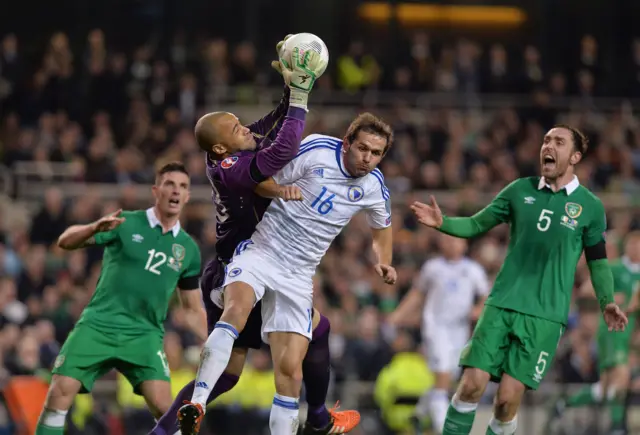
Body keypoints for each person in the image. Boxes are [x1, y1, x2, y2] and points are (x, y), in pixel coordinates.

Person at [150, 36, 357, 435]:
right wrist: (300, 97)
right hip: (242, 265)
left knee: (305, 337)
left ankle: (171, 427)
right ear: (220, 146)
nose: (245, 127)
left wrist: (288, 90)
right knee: (284, 351)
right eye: (234, 127)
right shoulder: (229, 166)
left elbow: (266, 127)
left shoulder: (229, 149)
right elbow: (279, 151)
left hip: (262, 262)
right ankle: (315, 419)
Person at [180, 113, 397, 435]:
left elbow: (382, 231)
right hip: (262, 250)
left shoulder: (373, 187)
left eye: (376, 153)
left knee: (290, 374)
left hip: (298, 274)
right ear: (347, 142)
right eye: (362, 148)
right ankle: (196, 403)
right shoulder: (317, 149)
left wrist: (385, 261)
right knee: (236, 310)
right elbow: (260, 180)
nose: (367, 158)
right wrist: (280, 192)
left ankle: (311, 418)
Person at [410, 125, 629, 435]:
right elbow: (476, 224)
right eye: (546, 140)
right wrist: (443, 222)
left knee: (506, 402)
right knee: (471, 385)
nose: (548, 146)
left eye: (558, 142)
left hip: (546, 316)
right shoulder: (519, 190)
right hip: (502, 303)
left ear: (575, 156)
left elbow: (598, 261)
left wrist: (607, 302)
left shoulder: (590, 207)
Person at [36, 162, 205, 435]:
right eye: (169, 184)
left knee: (169, 411)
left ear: (187, 196)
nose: (176, 191)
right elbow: (65, 241)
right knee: (59, 393)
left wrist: (212, 342)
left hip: (144, 335)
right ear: (156, 190)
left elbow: (193, 308)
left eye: (183, 186)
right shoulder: (125, 223)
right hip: (99, 324)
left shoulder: (188, 249)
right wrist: (94, 228)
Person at [388, 234, 489, 434]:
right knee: (442, 383)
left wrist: (478, 310)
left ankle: (419, 412)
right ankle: (445, 429)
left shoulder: (473, 270)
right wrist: (396, 316)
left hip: (459, 331)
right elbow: (417, 294)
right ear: (441, 242)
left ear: (465, 243)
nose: (451, 243)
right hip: (436, 329)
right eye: (447, 239)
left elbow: (486, 297)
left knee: (446, 380)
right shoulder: (432, 268)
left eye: (456, 240)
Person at [547, 231, 640, 435]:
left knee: (606, 388)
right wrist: (612, 296)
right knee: (621, 378)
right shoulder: (616, 268)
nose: (636, 248)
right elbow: (587, 291)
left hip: (629, 335)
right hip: (612, 332)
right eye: (633, 244)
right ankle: (617, 429)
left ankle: (564, 404)